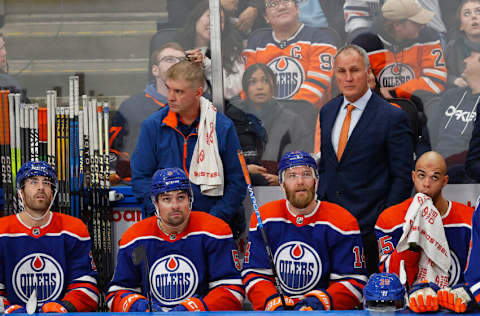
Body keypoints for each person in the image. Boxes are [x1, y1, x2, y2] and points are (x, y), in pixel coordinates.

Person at [317, 44, 413, 274]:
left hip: (371, 231)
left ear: (368, 72)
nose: (348, 78)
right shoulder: (327, 111)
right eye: (341, 71)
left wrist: (383, 221)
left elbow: (402, 177)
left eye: (355, 70)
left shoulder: (392, 116)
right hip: (331, 227)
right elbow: (328, 167)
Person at [131, 61, 246, 236]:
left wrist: (213, 219)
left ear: (197, 93)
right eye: (169, 88)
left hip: (213, 227)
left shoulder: (222, 127)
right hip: (166, 226)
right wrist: (163, 215)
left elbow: (237, 182)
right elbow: (141, 178)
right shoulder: (153, 126)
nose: (170, 96)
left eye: (178, 91)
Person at [242, 151, 367, 311]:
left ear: (316, 181)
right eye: (292, 175)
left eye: (307, 174)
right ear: (282, 183)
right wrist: (272, 302)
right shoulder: (264, 218)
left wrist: (317, 304)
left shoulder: (342, 221)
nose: (300, 181)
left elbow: (354, 280)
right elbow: (254, 273)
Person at [107, 167, 244, 312]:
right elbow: (117, 293)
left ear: (190, 200)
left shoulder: (214, 231)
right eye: (166, 199)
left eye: (181, 197)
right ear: (156, 203)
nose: (175, 206)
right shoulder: (135, 238)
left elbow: (232, 290)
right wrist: (139, 306)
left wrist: (196, 307)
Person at [375, 151, 474, 313]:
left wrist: (466, 292)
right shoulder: (389, 219)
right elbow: (390, 277)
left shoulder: (469, 219)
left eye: (435, 177)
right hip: (411, 309)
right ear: (413, 177)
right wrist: (412, 236)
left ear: (444, 181)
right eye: (421, 176)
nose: (426, 184)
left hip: (457, 310)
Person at [0, 161, 99, 313]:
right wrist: (8, 310)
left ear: (52, 192)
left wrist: (64, 307)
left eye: (46, 182)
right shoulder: (2, 231)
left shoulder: (74, 229)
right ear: (21, 191)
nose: (41, 187)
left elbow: (86, 285)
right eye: (33, 182)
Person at [231, 63, 315, 185]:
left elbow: (304, 160)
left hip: (282, 191)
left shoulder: (292, 121)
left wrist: (284, 179)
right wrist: (244, 170)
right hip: (242, 190)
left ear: (273, 86)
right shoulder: (233, 119)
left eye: (265, 81)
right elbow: (222, 163)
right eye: (253, 82)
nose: (260, 87)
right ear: (245, 88)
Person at [243, 0, 338, 108]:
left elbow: (318, 85)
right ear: (266, 17)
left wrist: (284, 113)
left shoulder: (321, 38)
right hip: (265, 118)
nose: (281, 7)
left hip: (310, 119)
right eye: (273, 4)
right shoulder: (256, 43)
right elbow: (247, 85)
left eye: (286, 1)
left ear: (297, 8)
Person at [352, 0, 447, 103]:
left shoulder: (428, 37)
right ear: (397, 25)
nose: (422, 25)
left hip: (417, 104)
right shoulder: (363, 44)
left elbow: (437, 82)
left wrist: (396, 91)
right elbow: (354, 86)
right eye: (416, 22)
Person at [426, 51, 480, 183]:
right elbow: (427, 137)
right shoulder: (451, 96)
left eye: (471, 56)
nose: (465, 60)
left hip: (467, 173)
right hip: (435, 168)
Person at [175, 0, 245, 100]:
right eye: (210, 16)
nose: (214, 23)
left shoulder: (232, 53)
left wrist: (207, 65)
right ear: (196, 18)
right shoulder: (179, 50)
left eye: (221, 20)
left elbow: (233, 91)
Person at [445, 0, 480, 88]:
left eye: (478, 11)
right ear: (461, 26)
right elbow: (442, 74)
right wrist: (454, 80)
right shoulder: (453, 48)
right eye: (467, 14)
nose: (474, 16)